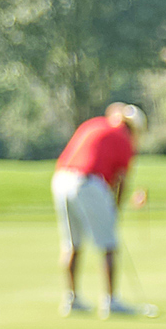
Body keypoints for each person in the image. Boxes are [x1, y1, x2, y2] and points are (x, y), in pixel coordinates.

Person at [53, 102, 149, 317]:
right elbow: (121, 181)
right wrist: (115, 210)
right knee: (109, 244)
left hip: (61, 180)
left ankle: (71, 300)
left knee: (72, 244)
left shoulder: (93, 124)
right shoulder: (124, 138)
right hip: (88, 182)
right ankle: (110, 301)